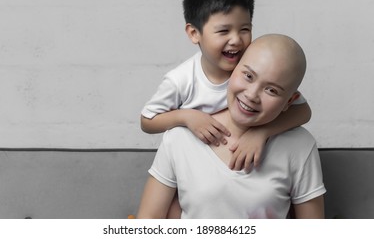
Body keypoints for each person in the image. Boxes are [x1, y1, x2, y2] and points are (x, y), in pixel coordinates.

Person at [137, 34, 326, 219]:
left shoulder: (300, 146)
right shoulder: (180, 137)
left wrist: (260, 133)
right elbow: (149, 219)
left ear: (289, 101)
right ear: (233, 70)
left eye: (272, 90)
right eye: (248, 76)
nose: (252, 95)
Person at [141, 0, 311, 172]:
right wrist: (186, 116)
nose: (236, 40)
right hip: (191, 166)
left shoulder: (252, 70)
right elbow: (147, 120)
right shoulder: (181, 80)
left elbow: (302, 111)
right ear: (194, 33)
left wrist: (260, 133)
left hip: (240, 164)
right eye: (223, 31)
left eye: (245, 29)